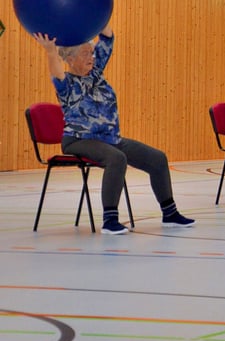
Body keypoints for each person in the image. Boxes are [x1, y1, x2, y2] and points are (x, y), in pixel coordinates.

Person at [33, 24, 195, 235]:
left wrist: (100, 19)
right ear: (70, 59)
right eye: (85, 53)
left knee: (158, 159)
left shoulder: (96, 73)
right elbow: (55, 71)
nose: (91, 56)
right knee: (116, 158)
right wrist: (50, 51)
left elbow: (107, 39)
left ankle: (170, 213)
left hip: (110, 139)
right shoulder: (68, 84)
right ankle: (110, 220)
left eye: (91, 52)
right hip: (79, 139)